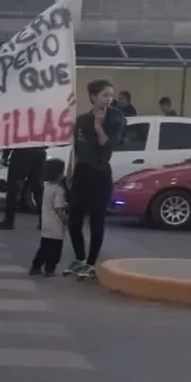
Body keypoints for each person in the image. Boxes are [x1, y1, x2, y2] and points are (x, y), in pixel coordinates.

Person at [65, 79, 126, 280]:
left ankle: (91, 263)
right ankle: (80, 258)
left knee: (96, 221)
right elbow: (77, 148)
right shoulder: (82, 120)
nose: (109, 99)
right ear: (93, 96)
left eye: (111, 95)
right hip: (82, 173)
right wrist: (70, 170)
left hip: (100, 174)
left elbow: (106, 148)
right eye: (104, 95)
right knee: (74, 220)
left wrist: (99, 126)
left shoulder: (116, 118)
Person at [30, 159, 68, 276]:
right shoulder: (59, 190)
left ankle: (36, 266)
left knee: (44, 247)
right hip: (56, 224)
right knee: (55, 249)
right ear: (58, 174)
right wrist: (64, 220)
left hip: (46, 223)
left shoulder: (46, 187)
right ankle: (50, 269)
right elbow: (58, 208)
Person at [0, 146, 45, 231]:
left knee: (13, 187)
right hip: (39, 152)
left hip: (22, 153)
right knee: (37, 188)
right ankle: (44, 222)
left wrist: (5, 156)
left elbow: (13, 139)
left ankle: (9, 221)